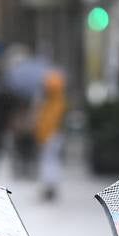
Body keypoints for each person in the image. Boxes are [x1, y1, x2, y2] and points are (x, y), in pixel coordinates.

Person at [32, 69, 66, 201]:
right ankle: (49, 186)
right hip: (51, 136)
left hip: (50, 137)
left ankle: (50, 187)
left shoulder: (53, 103)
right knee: (50, 161)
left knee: (49, 162)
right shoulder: (53, 101)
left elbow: (48, 122)